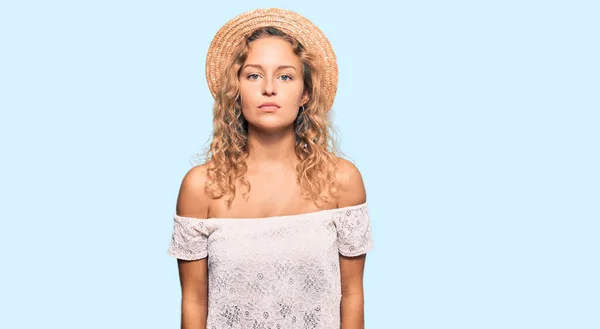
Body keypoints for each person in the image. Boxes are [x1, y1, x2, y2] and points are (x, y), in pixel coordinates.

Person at [168, 8, 373, 329]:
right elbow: (194, 302)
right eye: (253, 75)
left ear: (305, 93)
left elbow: (352, 295)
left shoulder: (342, 181)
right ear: (235, 92)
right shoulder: (200, 187)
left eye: (285, 76)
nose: (269, 88)